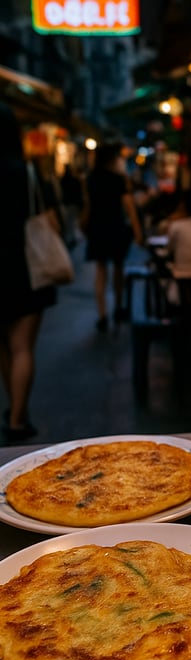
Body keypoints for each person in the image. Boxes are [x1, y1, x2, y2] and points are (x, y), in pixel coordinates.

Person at [0, 103, 60, 442]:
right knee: (22, 345)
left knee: (3, 347)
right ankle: (18, 419)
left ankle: (12, 407)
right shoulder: (29, 174)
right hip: (27, 266)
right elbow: (51, 218)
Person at [82, 142, 143, 331]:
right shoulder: (119, 179)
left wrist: (83, 225)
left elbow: (87, 206)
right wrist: (137, 230)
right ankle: (118, 306)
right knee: (118, 268)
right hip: (116, 226)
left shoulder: (91, 179)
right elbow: (129, 207)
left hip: (98, 227)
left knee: (100, 271)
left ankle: (102, 314)